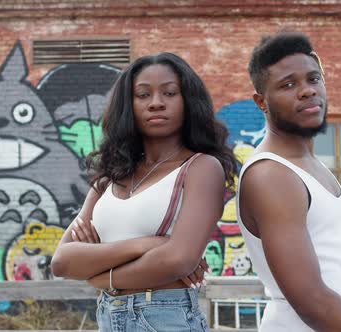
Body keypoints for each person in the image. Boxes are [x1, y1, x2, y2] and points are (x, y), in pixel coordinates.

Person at [51, 52, 237, 332]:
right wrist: (147, 244)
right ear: (129, 105)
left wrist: (98, 276)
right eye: (143, 95)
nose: (156, 103)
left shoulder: (200, 168)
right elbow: (62, 261)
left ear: (188, 101)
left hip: (165, 316)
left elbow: (178, 259)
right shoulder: (109, 178)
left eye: (170, 92)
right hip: (108, 316)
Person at [237, 32, 341, 331]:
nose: (307, 91)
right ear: (261, 102)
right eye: (288, 84)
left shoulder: (312, 166)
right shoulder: (271, 175)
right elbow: (310, 298)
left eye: (314, 79)